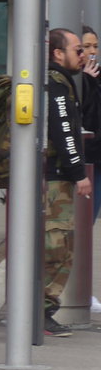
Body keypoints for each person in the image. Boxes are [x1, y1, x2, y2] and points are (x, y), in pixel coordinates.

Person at [43, 27, 94, 336]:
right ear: (58, 54)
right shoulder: (57, 86)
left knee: (59, 246)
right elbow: (65, 133)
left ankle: (40, 310)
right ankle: (41, 312)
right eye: (78, 49)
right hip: (56, 182)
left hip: (53, 179)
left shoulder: (60, 83)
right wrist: (79, 175)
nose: (84, 54)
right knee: (57, 248)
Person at [79, 25, 101, 312]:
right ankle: (77, 291)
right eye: (87, 46)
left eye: (95, 45)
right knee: (82, 226)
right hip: (88, 163)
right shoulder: (75, 80)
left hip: (97, 162)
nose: (92, 51)